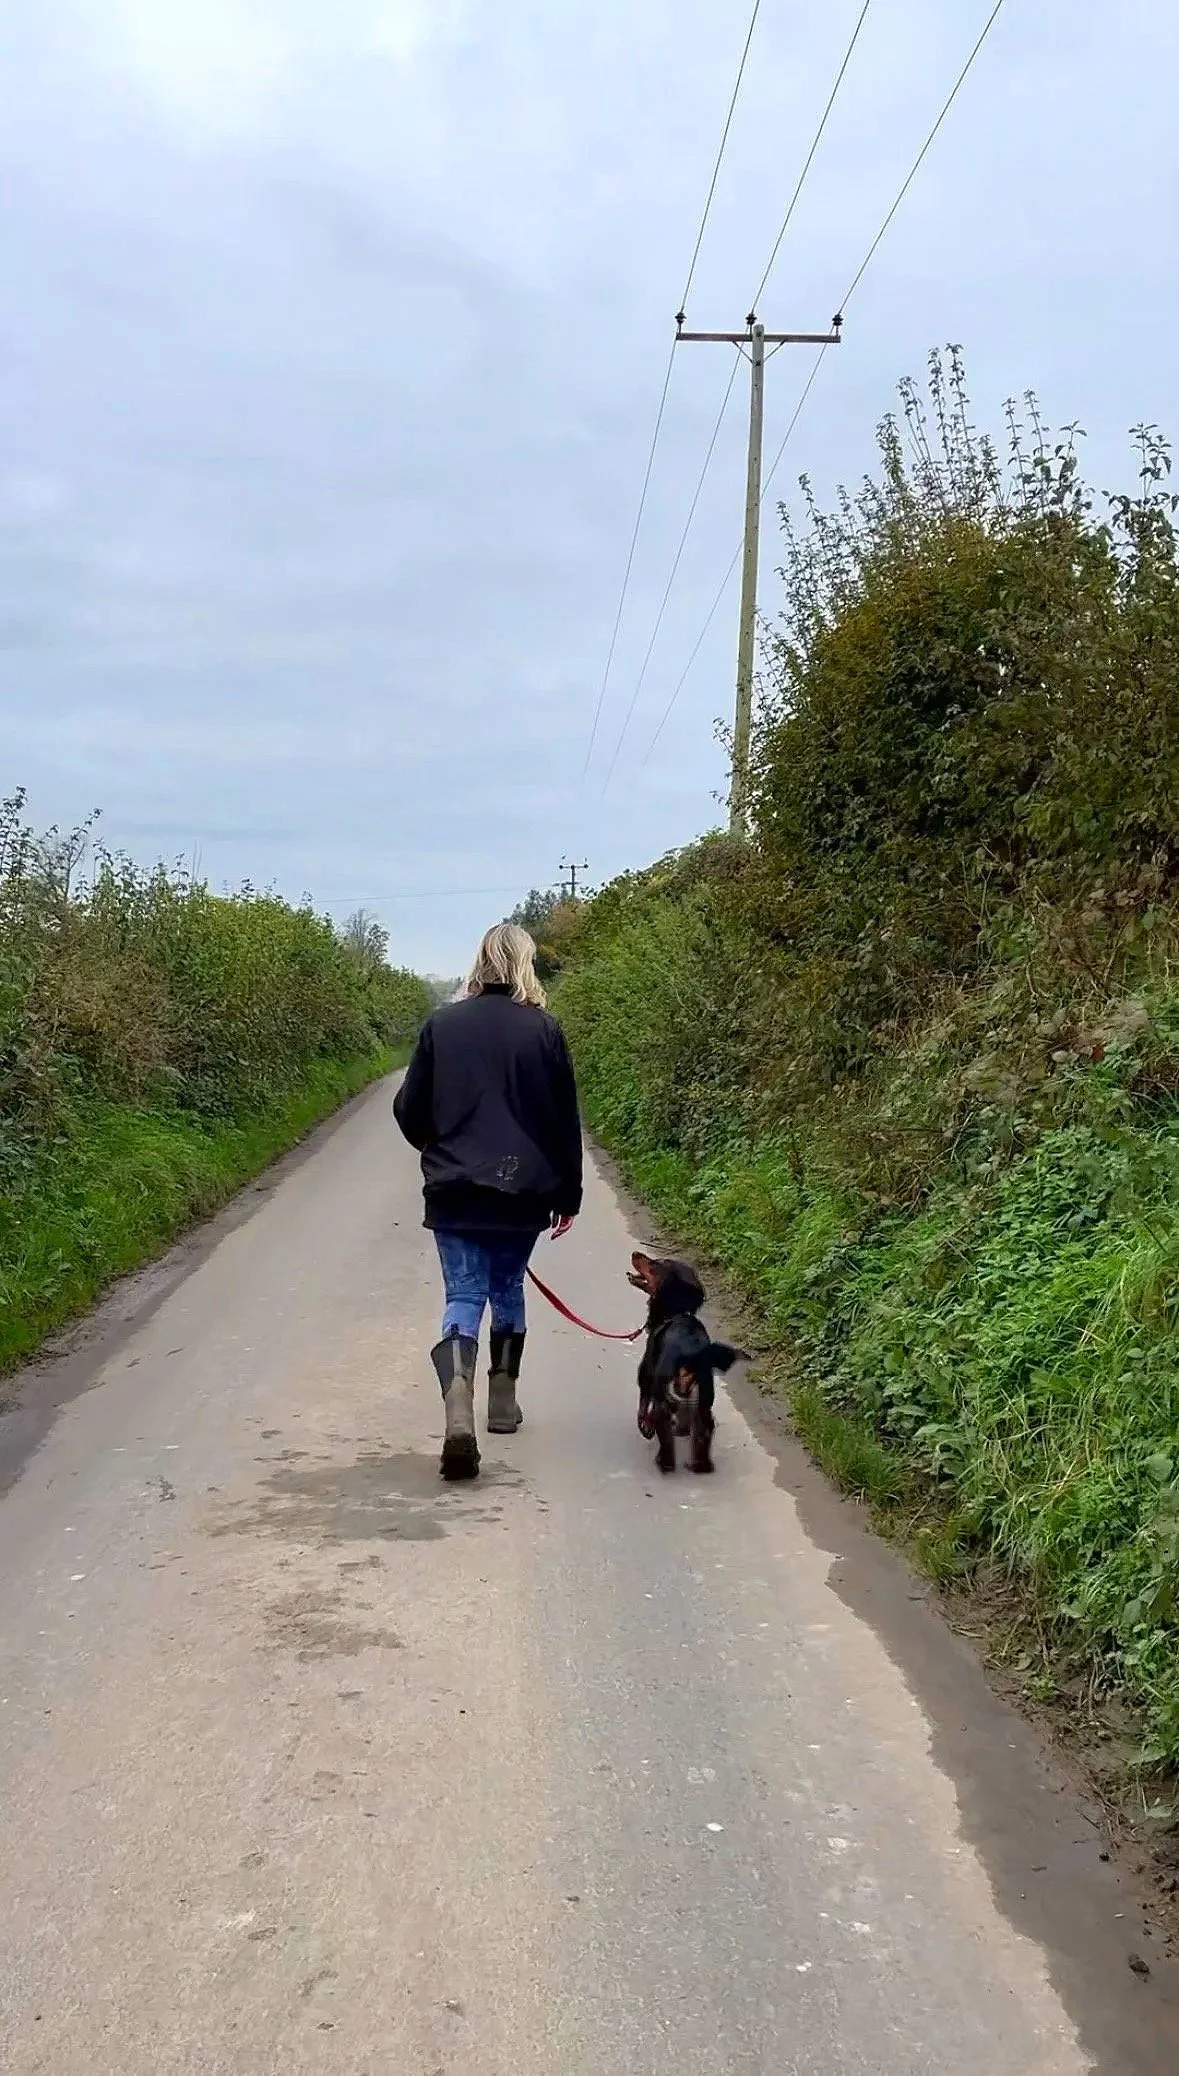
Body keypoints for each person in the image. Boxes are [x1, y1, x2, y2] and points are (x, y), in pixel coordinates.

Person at [393, 922, 583, 1481]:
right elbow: (562, 1120)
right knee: (507, 1288)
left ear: (479, 962)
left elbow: (410, 1109)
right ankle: (502, 1403)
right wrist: (566, 1193)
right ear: (526, 964)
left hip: (454, 1188)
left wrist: (439, 1145)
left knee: (464, 1295)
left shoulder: (441, 1026)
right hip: (522, 1190)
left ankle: (458, 1409)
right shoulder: (544, 1031)